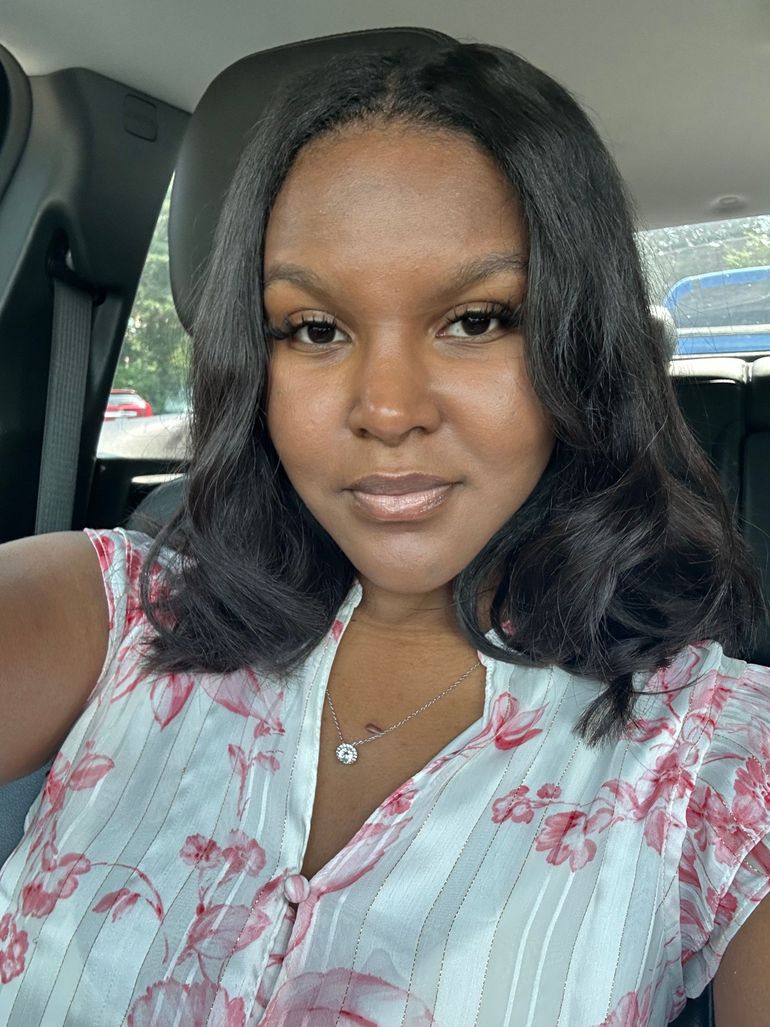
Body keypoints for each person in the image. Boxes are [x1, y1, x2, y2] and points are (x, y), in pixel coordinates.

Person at [0, 39, 767, 1027]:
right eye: (315, 329)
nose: (389, 410)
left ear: (579, 345)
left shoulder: (719, 761)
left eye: (477, 319)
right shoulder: (108, 614)